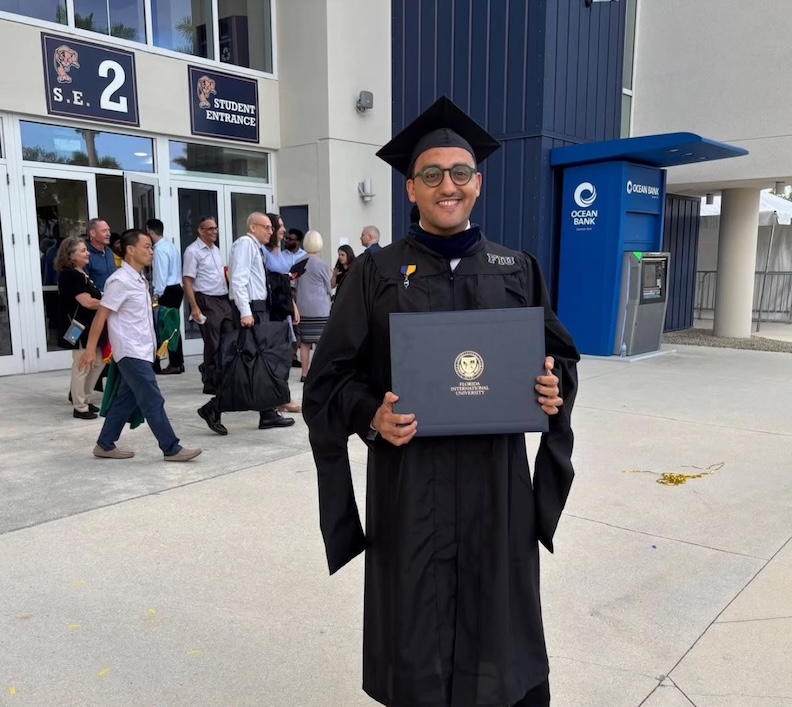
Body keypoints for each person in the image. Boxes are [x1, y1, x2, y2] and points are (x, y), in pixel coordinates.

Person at [302, 96, 579, 707]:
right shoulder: (376, 274)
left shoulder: (516, 269)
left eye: (459, 173)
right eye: (431, 175)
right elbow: (327, 383)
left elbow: (560, 361)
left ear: (478, 183)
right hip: (411, 488)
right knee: (417, 631)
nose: (446, 185)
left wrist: (553, 391)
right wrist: (371, 416)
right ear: (410, 188)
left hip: (495, 488)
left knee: (500, 629)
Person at [79, 229, 202, 462]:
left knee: (127, 399)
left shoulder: (139, 279)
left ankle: (105, 444)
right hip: (130, 351)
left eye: (151, 246)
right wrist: (90, 349)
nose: (151, 251)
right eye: (146, 246)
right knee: (152, 398)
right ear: (130, 250)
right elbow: (101, 315)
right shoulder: (120, 281)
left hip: (143, 350)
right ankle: (171, 448)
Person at [196, 213, 295, 436]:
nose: (271, 231)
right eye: (267, 227)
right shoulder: (244, 244)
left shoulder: (256, 247)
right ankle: (214, 407)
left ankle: (268, 412)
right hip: (251, 309)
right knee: (245, 363)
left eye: (272, 228)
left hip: (259, 308)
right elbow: (238, 279)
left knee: (261, 361)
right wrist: (246, 312)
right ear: (253, 227)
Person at [56, 236, 106, 419]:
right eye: (83, 250)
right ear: (71, 255)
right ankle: (79, 406)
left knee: (97, 362)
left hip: (89, 327)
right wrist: (109, 303)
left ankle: (85, 398)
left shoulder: (82, 273)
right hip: (76, 327)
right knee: (82, 365)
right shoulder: (70, 275)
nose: (87, 253)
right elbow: (86, 302)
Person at [182, 216, 232, 395]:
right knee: (213, 342)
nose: (214, 232)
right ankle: (211, 380)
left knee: (228, 338)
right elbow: (187, 281)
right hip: (206, 299)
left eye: (215, 228)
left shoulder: (216, 250)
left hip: (222, 298)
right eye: (210, 229)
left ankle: (219, 373)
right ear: (201, 231)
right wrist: (194, 307)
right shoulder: (193, 251)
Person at [262, 212, 301, 414]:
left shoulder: (279, 252)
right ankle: (278, 397)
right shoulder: (264, 252)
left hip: (284, 307)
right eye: (280, 226)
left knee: (285, 354)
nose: (284, 230)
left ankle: (281, 396)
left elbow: (286, 284)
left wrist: (293, 306)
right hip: (273, 311)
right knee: (276, 355)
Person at [148, 218, 185, 375]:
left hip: (166, 291)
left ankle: (172, 363)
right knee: (173, 326)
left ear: (150, 231)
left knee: (163, 326)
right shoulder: (171, 246)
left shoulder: (160, 249)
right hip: (176, 288)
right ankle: (177, 362)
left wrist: (156, 295)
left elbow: (160, 275)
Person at [295, 230, 331, 382]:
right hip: (320, 308)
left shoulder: (298, 263)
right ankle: (319, 372)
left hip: (303, 307)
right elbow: (328, 287)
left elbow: (295, 285)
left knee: (305, 342)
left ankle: (304, 373)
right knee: (321, 343)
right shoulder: (322, 264)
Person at [85, 218, 117, 293]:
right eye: (104, 231)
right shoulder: (86, 254)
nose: (108, 234)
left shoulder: (109, 251)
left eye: (108, 230)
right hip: (97, 301)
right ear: (93, 233)